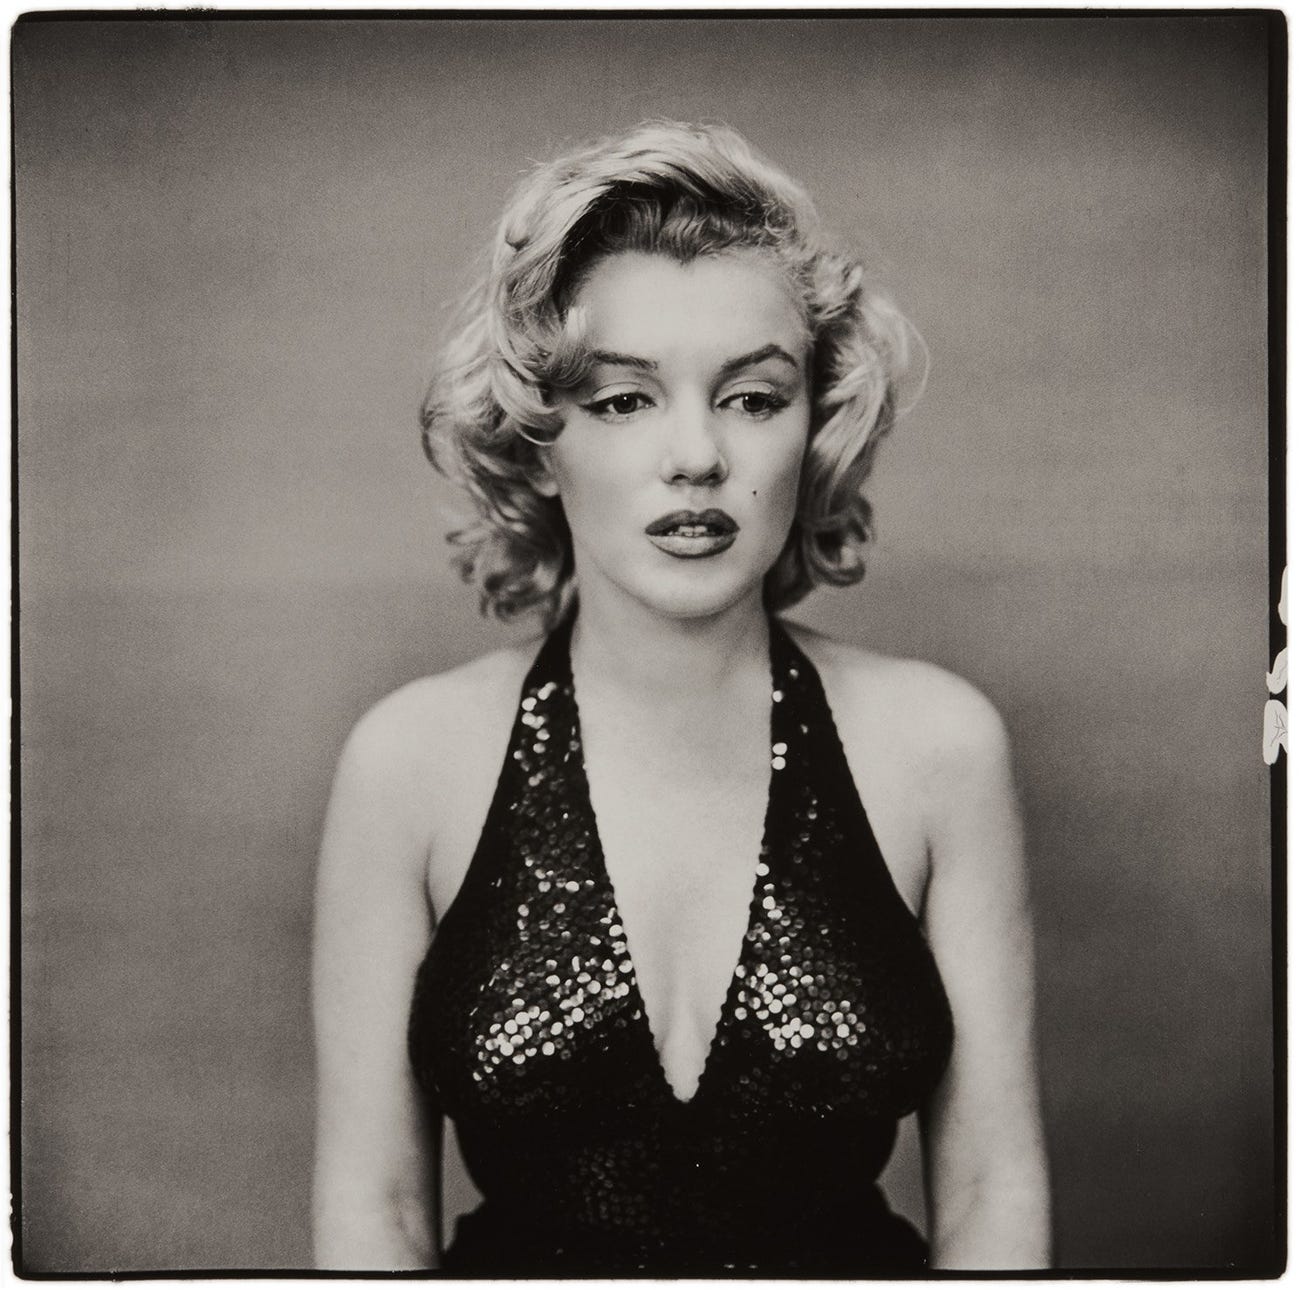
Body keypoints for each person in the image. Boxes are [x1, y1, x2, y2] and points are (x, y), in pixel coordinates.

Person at [311, 119, 1051, 1275]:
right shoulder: (408, 764)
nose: (697, 456)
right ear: (540, 438)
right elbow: (376, 1210)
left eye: (753, 397)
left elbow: (992, 1188)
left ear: (815, 427)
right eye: (623, 401)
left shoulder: (938, 748)